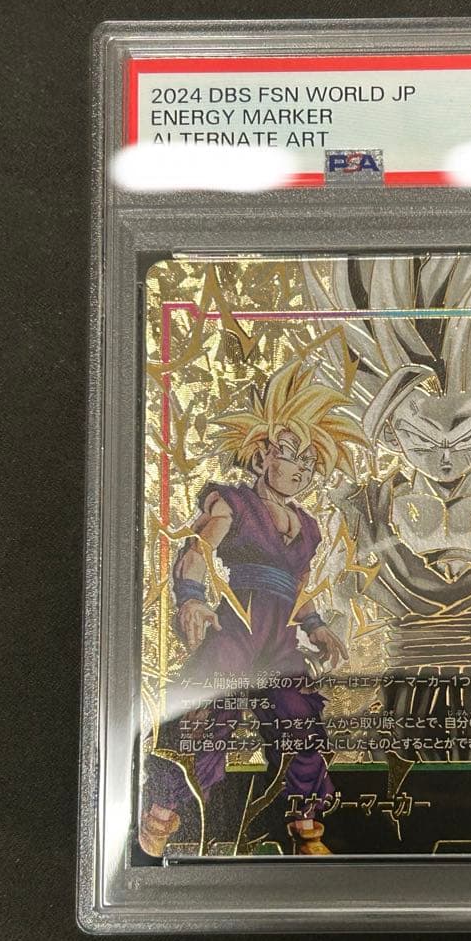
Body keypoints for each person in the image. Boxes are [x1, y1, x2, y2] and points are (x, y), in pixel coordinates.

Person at [139, 360, 366, 857]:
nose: (299, 470)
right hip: (237, 626)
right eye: (290, 455)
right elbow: (197, 550)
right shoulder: (233, 502)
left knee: (301, 720)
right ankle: (161, 813)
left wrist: (317, 626)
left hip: (281, 639)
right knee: (205, 710)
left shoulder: (307, 526)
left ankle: (306, 828)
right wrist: (192, 598)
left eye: (310, 464)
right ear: (263, 453)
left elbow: (299, 585)